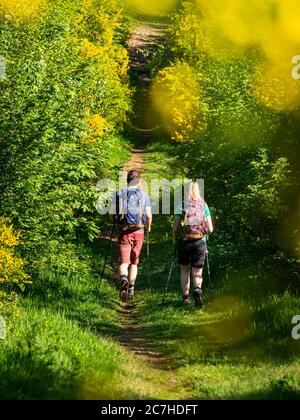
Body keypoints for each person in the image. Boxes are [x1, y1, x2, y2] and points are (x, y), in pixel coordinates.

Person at [109, 170, 152, 302]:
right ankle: (131, 288)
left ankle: (123, 278)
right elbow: (149, 215)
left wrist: (114, 222)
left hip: (124, 231)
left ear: (127, 180)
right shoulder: (144, 195)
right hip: (139, 232)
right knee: (134, 262)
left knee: (124, 262)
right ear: (139, 181)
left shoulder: (120, 193)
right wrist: (148, 226)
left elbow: (111, 213)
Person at [173, 181, 213, 308]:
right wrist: (205, 236)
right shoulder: (204, 205)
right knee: (197, 271)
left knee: (184, 270)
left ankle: (185, 298)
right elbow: (210, 228)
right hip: (199, 241)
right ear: (198, 190)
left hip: (184, 241)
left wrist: (175, 239)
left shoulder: (182, 205)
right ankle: (197, 289)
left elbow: (175, 227)